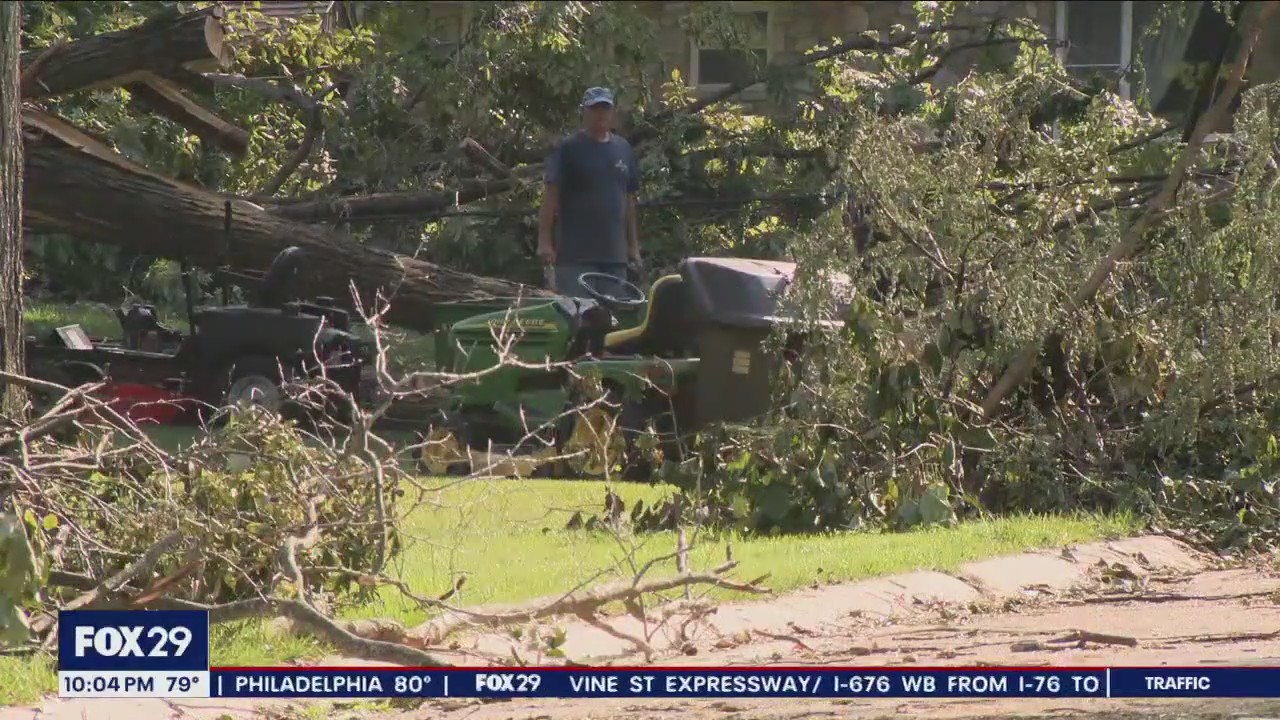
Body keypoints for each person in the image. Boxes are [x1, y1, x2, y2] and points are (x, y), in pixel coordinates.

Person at [538, 86, 641, 298]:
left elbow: (629, 199)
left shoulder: (623, 149)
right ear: (584, 112)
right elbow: (551, 196)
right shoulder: (568, 148)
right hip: (576, 258)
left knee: (613, 321)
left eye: (605, 108)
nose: (600, 114)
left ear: (612, 112)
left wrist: (633, 245)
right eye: (594, 109)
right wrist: (545, 242)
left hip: (614, 258)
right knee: (580, 319)